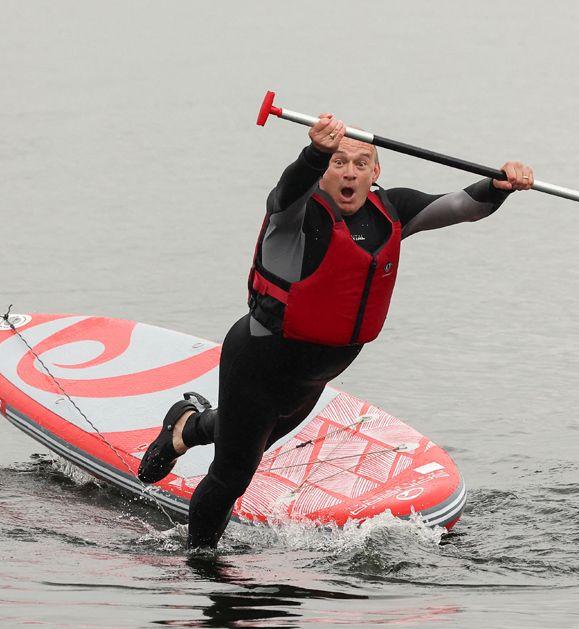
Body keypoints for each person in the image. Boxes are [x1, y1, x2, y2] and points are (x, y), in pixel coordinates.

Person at [138, 112, 535, 548]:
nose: (349, 172)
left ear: (375, 172)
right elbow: (285, 191)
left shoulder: (392, 211)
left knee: (247, 437)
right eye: (338, 162)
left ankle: (185, 427)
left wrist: (498, 186)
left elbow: (461, 205)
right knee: (233, 475)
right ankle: (201, 565)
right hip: (259, 361)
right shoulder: (296, 215)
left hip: (312, 378)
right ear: (324, 169)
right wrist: (314, 153)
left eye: (360, 163)